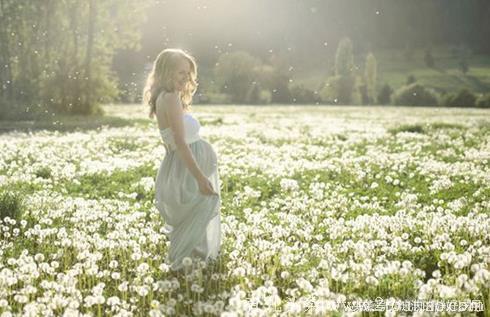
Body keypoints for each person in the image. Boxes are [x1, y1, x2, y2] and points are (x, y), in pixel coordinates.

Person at [142, 48, 222, 272]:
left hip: (182, 167)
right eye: (180, 73)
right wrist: (200, 178)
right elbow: (180, 143)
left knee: (194, 216)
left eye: (188, 73)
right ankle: (191, 269)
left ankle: (193, 268)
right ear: (165, 72)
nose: (185, 78)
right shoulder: (170, 99)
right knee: (196, 215)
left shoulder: (165, 97)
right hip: (187, 169)